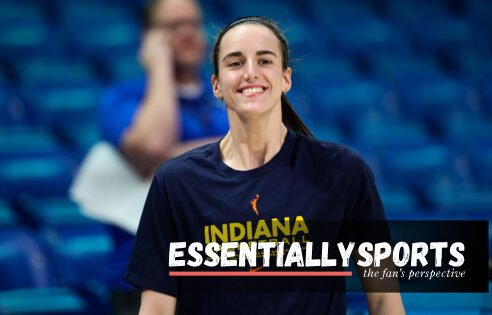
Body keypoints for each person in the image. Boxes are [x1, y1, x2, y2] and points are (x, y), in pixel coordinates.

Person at [125, 16, 405, 314]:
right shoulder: (175, 183)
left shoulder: (343, 171)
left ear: (286, 78)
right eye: (235, 63)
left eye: (264, 61)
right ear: (216, 85)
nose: (250, 73)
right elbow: (156, 309)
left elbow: (384, 299)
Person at [100, 0, 229, 179]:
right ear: (148, 37)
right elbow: (154, 149)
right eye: (173, 26)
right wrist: (160, 66)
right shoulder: (122, 97)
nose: (186, 33)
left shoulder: (227, 92)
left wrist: (174, 156)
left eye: (193, 23)